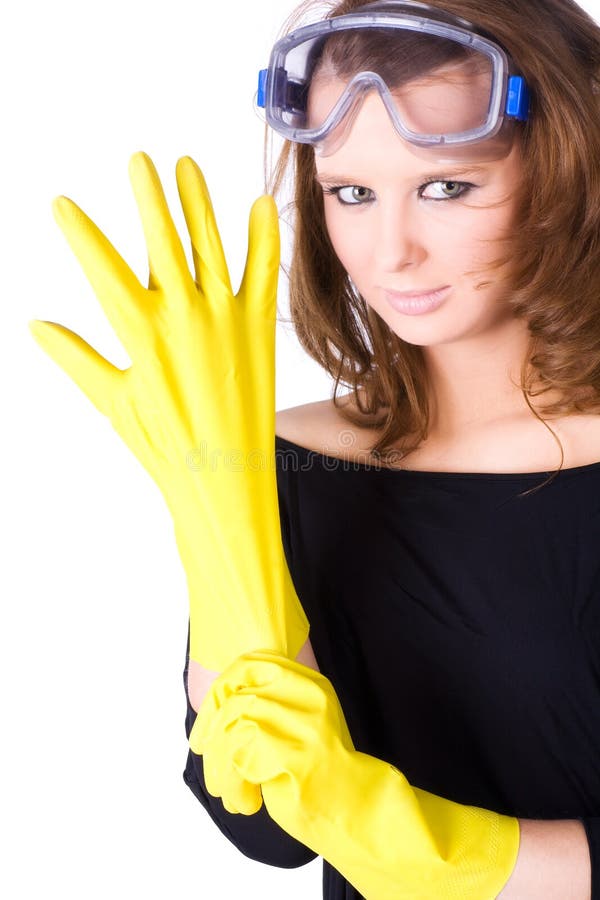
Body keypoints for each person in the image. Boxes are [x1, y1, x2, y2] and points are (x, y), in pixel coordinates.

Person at [30, 0, 600, 897]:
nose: (391, 251)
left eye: (448, 187)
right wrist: (213, 500)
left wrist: (445, 857)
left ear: (567, 174)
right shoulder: (291, 460)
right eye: (352, 193)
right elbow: (259, 827)